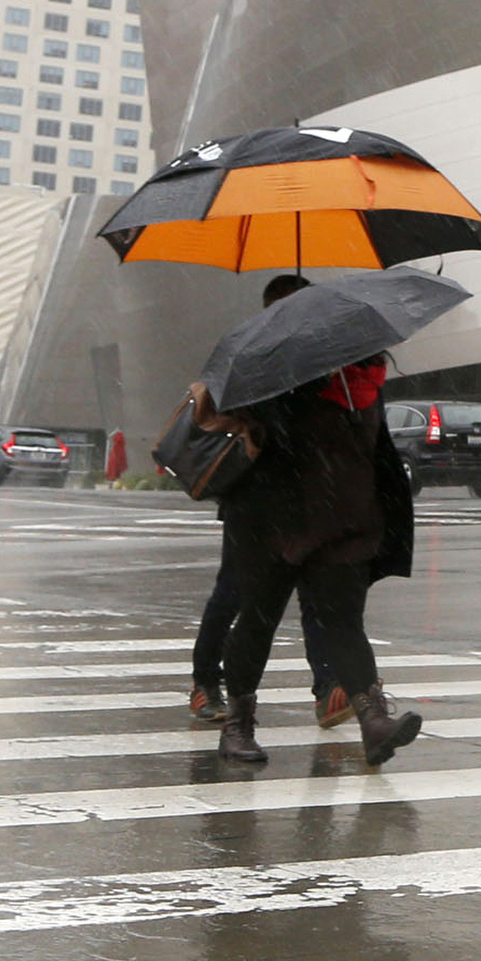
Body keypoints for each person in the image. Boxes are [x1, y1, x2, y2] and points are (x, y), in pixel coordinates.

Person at [211, 350, 421, 769]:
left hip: (340, 521)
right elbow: (253, 437)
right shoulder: (274, 377)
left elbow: (374, 454)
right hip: (273, 524)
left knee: (343, 623)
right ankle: (237, 724)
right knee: (257, 619)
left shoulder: (362, 382)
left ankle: (373, 721)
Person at [186, 273, 345, 728]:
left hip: (306, 497)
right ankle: (205, 682)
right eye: (294, 306)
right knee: (234, 595)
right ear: (273, 308)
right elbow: (234, 415)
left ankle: (327, 687)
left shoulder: (319, 358)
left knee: (316, 594)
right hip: (252, 501)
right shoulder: (246, 354)